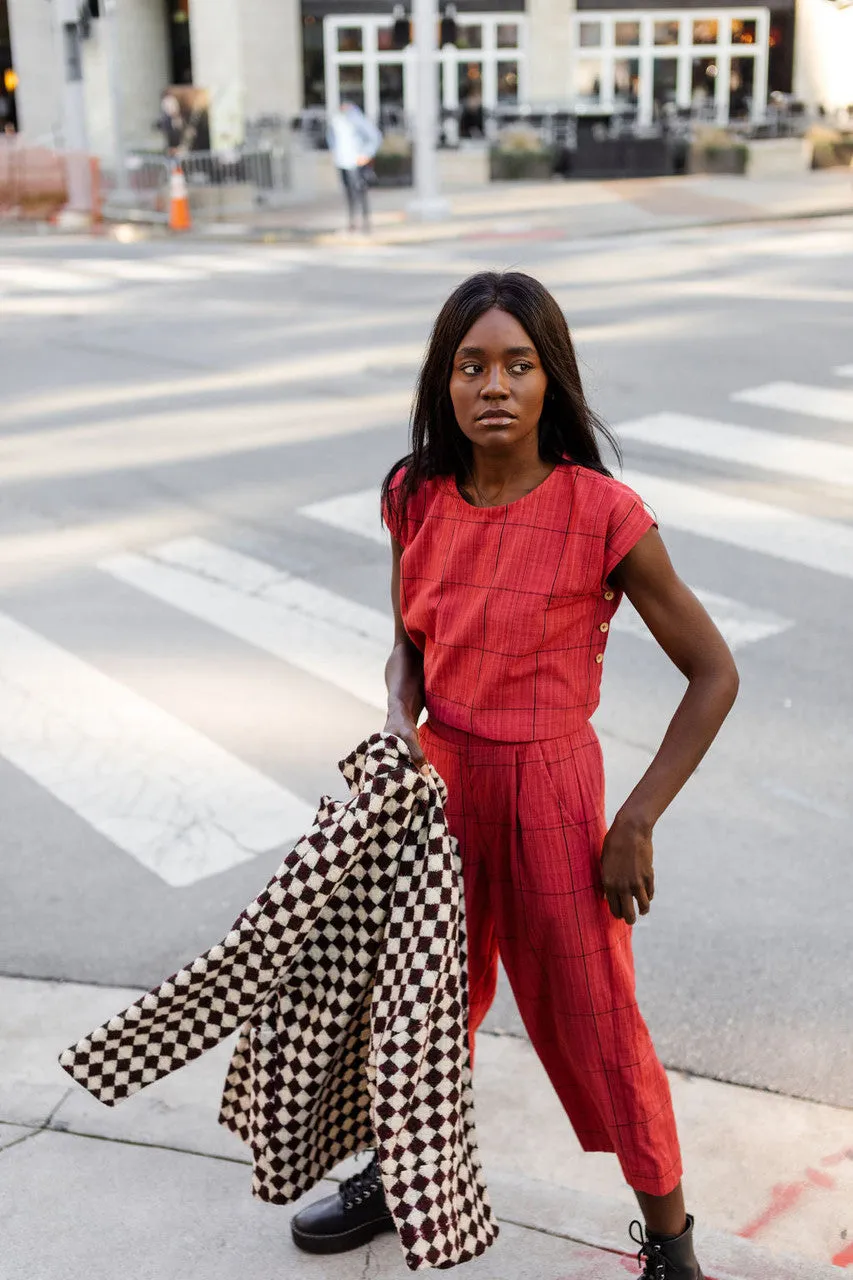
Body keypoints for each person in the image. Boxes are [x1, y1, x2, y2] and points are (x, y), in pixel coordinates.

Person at [290, 272, 739, 1278]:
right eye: (470, 364)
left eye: (517, 365)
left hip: (551, 792)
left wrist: (636, 817)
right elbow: (409, 639)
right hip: (438, 786)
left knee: (596, 1024)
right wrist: (399, 721)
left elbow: (715, 672)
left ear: (551, 381)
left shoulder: (603, 512)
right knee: (413, 1003)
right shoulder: (412, 494)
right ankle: (395, 1172)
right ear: (442, 383)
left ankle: (671, 1245)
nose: (492, 384)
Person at [327, 100, 382, 233]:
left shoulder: (358, 120)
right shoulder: (336, 121)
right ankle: (352, 221)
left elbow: (375, 137)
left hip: (355, 162)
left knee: (360, 192)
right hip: (342, 161)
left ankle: (365, 222)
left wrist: (365, 154)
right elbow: (332, 139)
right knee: (349, 192)